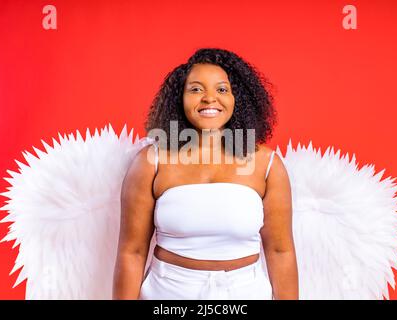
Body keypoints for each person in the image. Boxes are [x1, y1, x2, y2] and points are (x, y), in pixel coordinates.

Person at [112, 48, 298, 300]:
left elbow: (280, 251)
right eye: (196, 89)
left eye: (221, 89)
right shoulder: (150, 161)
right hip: (167, 295)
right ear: (180, 98)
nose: (209, 98)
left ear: (237, 98)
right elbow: (131, 252)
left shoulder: (267, 164)